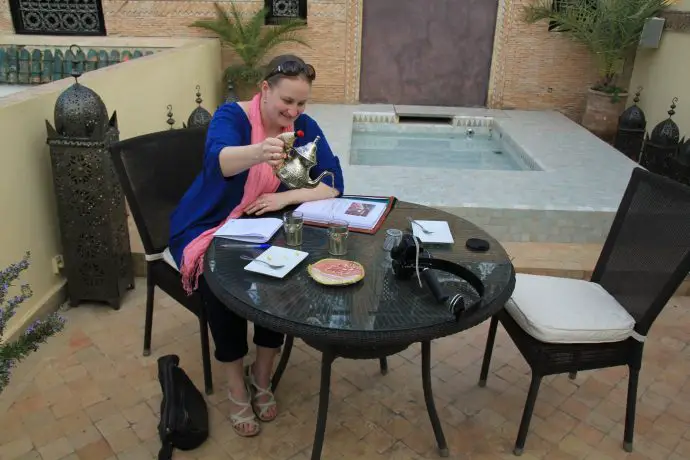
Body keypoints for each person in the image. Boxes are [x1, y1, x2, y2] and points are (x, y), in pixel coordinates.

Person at [168, 54, 345, 437]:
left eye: (301, 103)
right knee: (220, 283)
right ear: (265, 89)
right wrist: (260, 151)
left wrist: (284, 198)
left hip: (263, 220)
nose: (294, 111)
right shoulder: (232, 117)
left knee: (284, 276)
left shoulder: (302, 128)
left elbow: (332, 183)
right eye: (287, 102)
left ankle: (261, 375)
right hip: (209, 222)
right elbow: (220, 162)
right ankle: (235, 384)